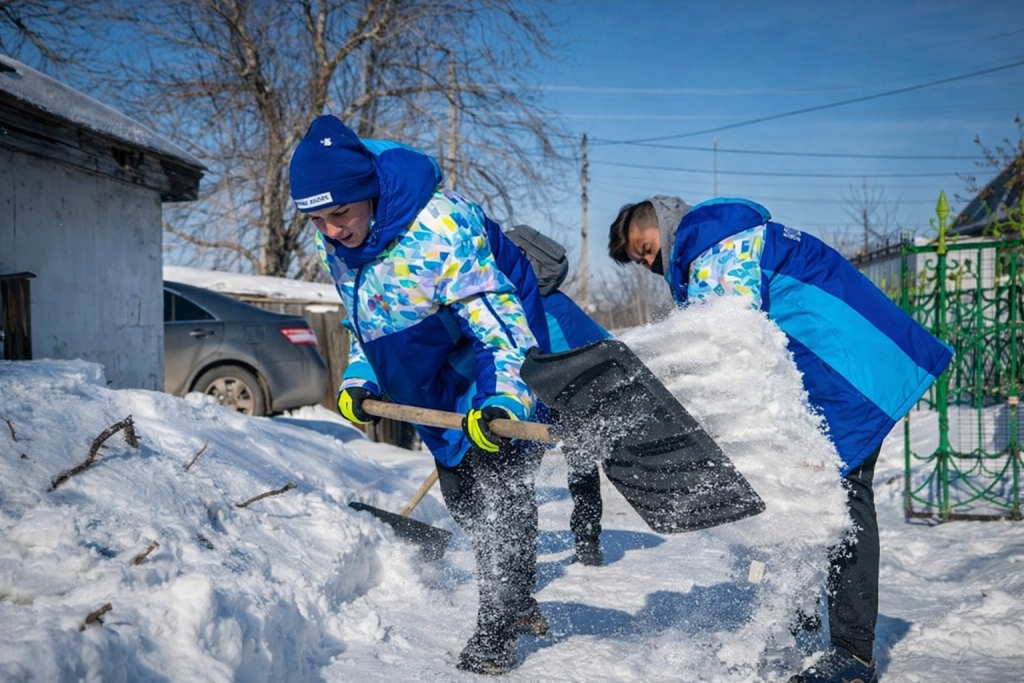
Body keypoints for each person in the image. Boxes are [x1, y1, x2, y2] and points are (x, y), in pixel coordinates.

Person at [607, 196, 954, 683]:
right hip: (839, 373)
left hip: (848, 376)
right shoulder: (721, 245)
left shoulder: (715, 246)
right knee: (798, 490)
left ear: (664, 225)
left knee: (841, 500)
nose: (648, 263)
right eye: (639, 261)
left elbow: (726, 348)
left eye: (645, 248)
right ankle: (804, 607)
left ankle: (853, 655)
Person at [290, 114, 549, 675]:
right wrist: (363, 376)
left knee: (497, 480)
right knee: (460, 490)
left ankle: (500, 623)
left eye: (340, 214)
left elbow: (501, 329)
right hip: (427, 349)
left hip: (491, 341)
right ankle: (516, 593)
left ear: (369, 194)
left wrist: (504, 398)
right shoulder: (336, 238)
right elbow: (366, 319)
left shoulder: (441, 228)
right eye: (316, 219)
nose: (331, 230)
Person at [504, 224, 610, 566]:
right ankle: (586, 536)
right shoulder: (554, 302)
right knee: (575, 462)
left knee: (523, 467)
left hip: (562, 388)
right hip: (566, 388)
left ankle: (521, 554)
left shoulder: (529, 305)